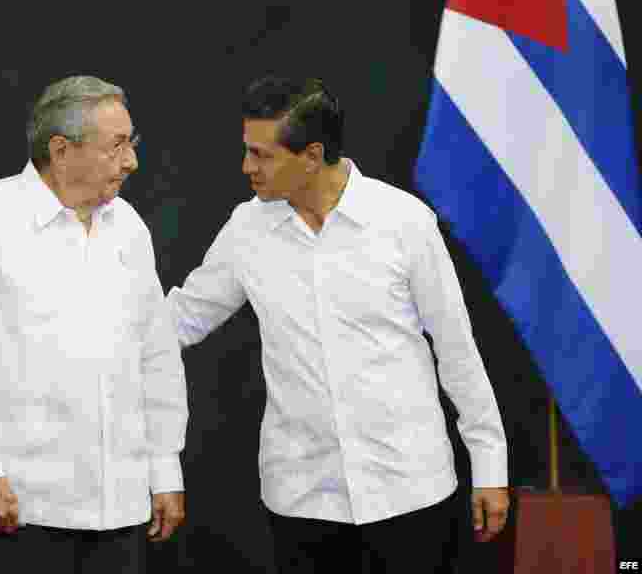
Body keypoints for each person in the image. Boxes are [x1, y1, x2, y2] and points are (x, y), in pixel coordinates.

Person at [166, 75, 509, 573]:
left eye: (261, 155)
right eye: (247, 151)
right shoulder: (247, 230)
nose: (246, 167)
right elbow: (182, 318)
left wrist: (490, 465)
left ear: (311, 156)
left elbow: (456, 349)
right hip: (302, 500)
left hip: (410, 489)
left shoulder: (404, 223)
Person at [0, 75, 188, 573]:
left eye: (132, 143)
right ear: (61, 150)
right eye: (116, 146)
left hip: (121, 504)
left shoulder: (129, 228)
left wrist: (164, 468)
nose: (131, 160)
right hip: (19, 504)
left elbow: (156, 355)